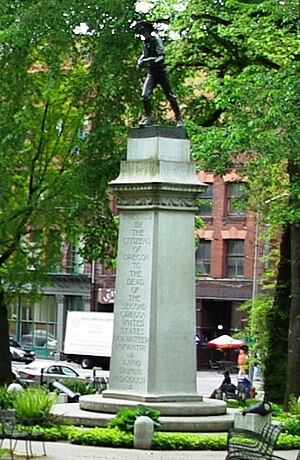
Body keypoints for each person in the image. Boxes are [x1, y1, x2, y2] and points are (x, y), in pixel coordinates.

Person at [135, 21, 184, 128]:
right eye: (141, 33)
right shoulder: (146, 44)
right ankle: (149, 118)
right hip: (152, 73)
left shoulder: (156, 40)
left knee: (170, 95)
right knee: (145, 96)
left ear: (148, 31)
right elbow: (143, 55)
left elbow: (161, 57)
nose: (143, 35)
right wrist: (140, 62)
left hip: (161, 72)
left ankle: (179, 118)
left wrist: (148, 61)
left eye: (144, 32)